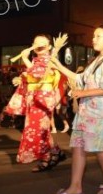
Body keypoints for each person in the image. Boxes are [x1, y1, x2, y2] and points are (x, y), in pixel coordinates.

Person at [49, 25, 103, 194]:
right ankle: (75, 187)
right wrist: (57, 65)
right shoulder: (97, 60)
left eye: (98, 36)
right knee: (78, 147)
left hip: (99, 114)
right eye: (94, 36)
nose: (93, 39)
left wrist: (81, 93)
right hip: (85, 111)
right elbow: (79, 78)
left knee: (100, 149)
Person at [4, 34, 66, 172]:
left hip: (44, 98)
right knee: (41, 128)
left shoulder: (51, 60)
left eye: (42, 43)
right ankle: (56, 152)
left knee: (39, 129)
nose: (38, 45)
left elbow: (40, 75)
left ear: (49, 46)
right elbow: (32, 76)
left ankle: (47, 158)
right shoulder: (36, 60)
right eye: (35, 43)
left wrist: (25, 60)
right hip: (35, 97)